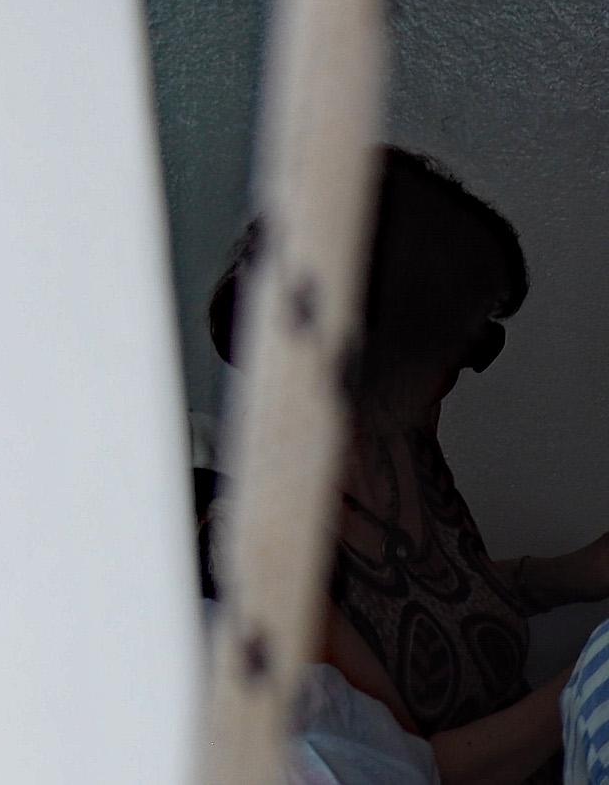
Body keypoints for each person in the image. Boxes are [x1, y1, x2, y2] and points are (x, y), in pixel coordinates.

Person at [210, 149, 609, 785]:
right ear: (371, 354)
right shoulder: (261, 542)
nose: (471, 367)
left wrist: (575, 574)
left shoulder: (404, 439)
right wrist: (593, 672)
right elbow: (408, 770)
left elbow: (442, 612)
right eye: (462, 342)